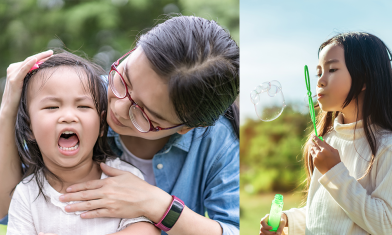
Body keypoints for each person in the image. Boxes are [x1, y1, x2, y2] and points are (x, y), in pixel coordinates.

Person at [0, 16, 239, 235]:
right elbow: (7, 208)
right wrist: (7, 113)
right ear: (133, 50)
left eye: (145, 114)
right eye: (124, 77)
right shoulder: (82, 98)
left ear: (186, 127)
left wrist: (157, 205)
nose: (117, 107)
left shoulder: (216, 140)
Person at [6, 51, 160, 235]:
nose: (69, 117)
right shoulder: (26, 193)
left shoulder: (123, 177)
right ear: (29, 129)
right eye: (52, 107)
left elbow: (147, 230)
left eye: (83, 106)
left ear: (102, 125)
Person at [260, 32, 392, 235]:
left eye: (332, 69)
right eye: (319, 72)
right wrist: (288, 221)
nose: (320, 81)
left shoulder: (386, 147)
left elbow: (385, 224)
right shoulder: (328, 140)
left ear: (365, 79)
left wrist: (334, 171)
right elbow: (325, 213)